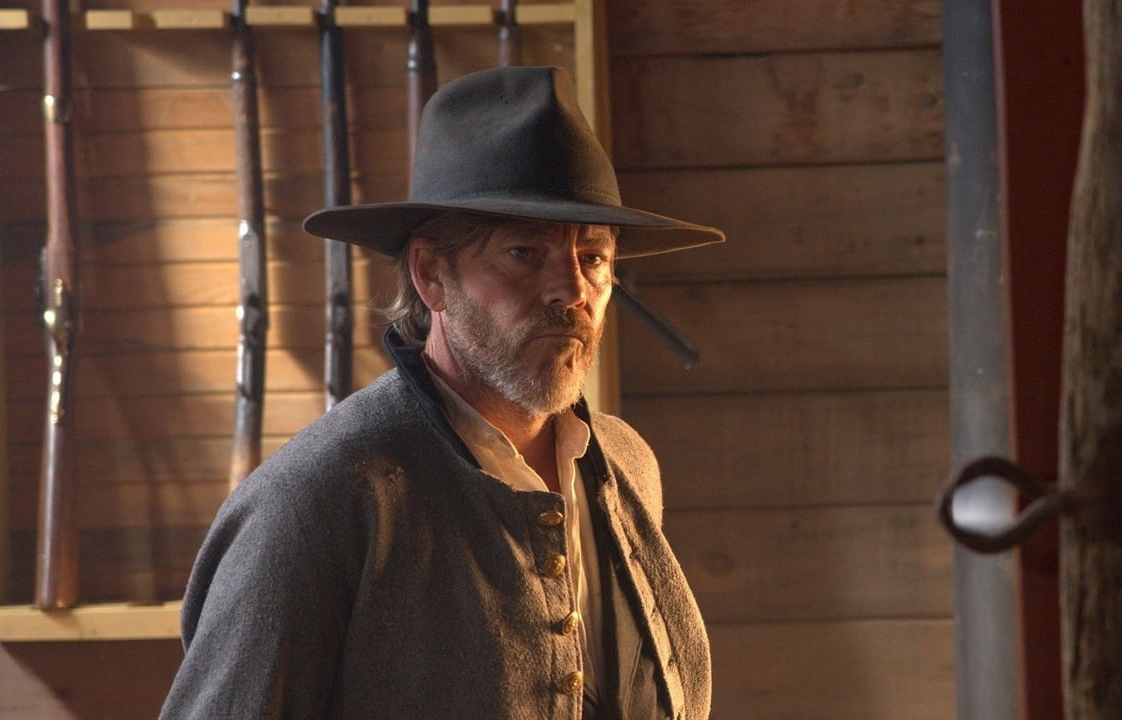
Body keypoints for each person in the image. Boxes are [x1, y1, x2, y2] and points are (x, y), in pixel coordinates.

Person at [159, 65, 725, 719]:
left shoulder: (625, 464)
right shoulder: (317, 501)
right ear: (431, 274)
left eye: (593, 257)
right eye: (523, 253)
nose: (572, 290)